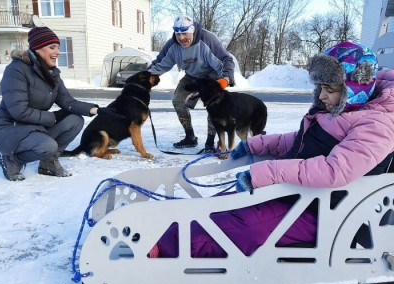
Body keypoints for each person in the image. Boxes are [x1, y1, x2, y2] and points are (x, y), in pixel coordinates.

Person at [151, 41, 394, 258]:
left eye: (329, 90)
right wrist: (255, 144)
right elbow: (302, 142)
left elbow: (335, 170)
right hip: (295, 193)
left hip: (321, 211)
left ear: (356, 87)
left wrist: (267, 172)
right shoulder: (343, 111)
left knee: (239, 224)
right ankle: (163, 230)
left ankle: (163, 248)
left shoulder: (376, 125)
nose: (321, 96)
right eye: (320, 88)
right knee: (225, 203)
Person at [0, 26, 114, 181]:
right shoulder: (17, 70)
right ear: (37, 49)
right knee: (48, 146)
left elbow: (68, 101)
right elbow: (19, 111)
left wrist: (97, 111)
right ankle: (11, 160)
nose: (57, 52)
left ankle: (48, 163)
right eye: (52, 47)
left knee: (75, 120)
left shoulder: (52, 74)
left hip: (34, 126)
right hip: (9, 128)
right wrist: (53, 117)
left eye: (58, 47)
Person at [148, 15, 235, 152]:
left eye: (185, 33)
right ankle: (190, 137)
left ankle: (210, 141)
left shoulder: (207, 39)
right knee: (178, 100)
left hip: (213, 77)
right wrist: (143, 78)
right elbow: (159, 64)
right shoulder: (173, 45)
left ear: (192, 30)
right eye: (178, 33)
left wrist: (226, 78)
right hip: (192, 76)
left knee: (214, 106)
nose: (181, 38)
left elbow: (226, 60)